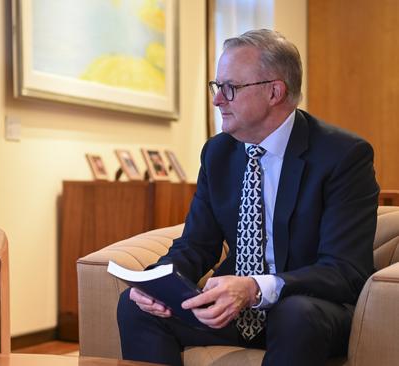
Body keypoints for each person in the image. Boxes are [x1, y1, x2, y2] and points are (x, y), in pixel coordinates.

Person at [117, 29, 379, 366]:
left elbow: (344, 271)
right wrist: (158, 282)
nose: (217, 100)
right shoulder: (218, 153)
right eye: (216, 87)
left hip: (310, 308)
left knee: (296, 314)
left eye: (230, 88)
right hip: (232, 310)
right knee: (134, 307)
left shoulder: (342, 156)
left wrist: (255, 287)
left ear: (274, 91)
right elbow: (197, 245)